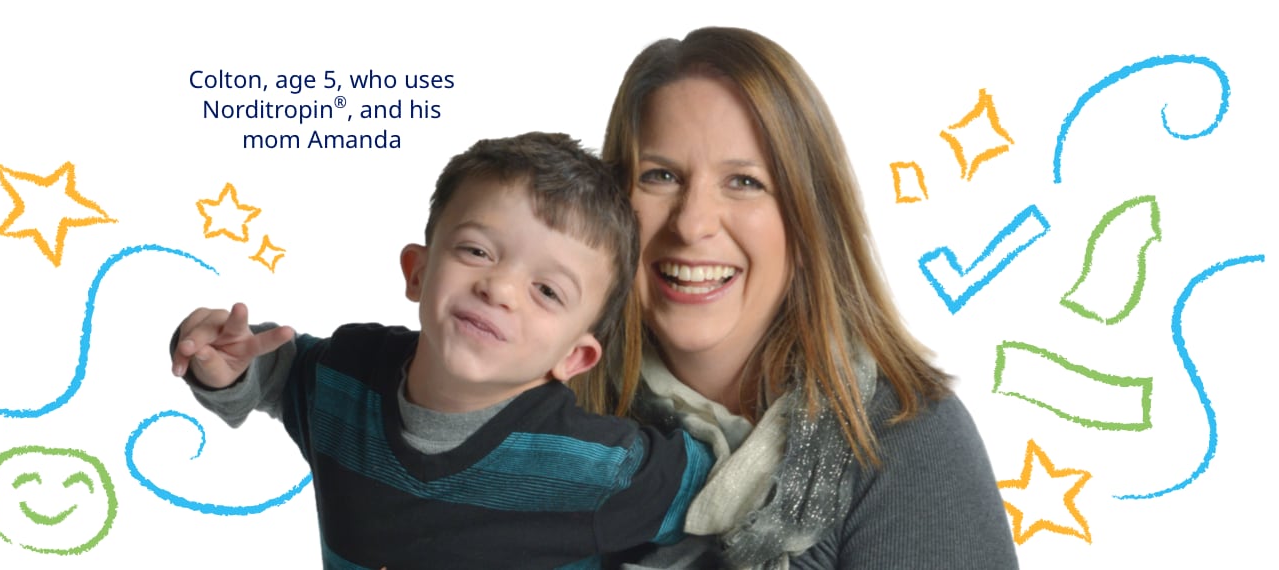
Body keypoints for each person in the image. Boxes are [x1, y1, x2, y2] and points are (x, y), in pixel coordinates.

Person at [168, 132, 714, 569]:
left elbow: (725, 493)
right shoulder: (344, 376)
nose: (498, 289)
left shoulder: (600, 465)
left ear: (574, 358)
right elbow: (277, 373)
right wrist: (228, 367)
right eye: (477, 251)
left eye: (547, 291)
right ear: (418, 271)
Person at [584, 28, 1020, 569]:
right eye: (661, 176)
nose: (693, 224)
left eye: (744, 182)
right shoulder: (545, 420)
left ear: (810, 219)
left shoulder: (905, 440)